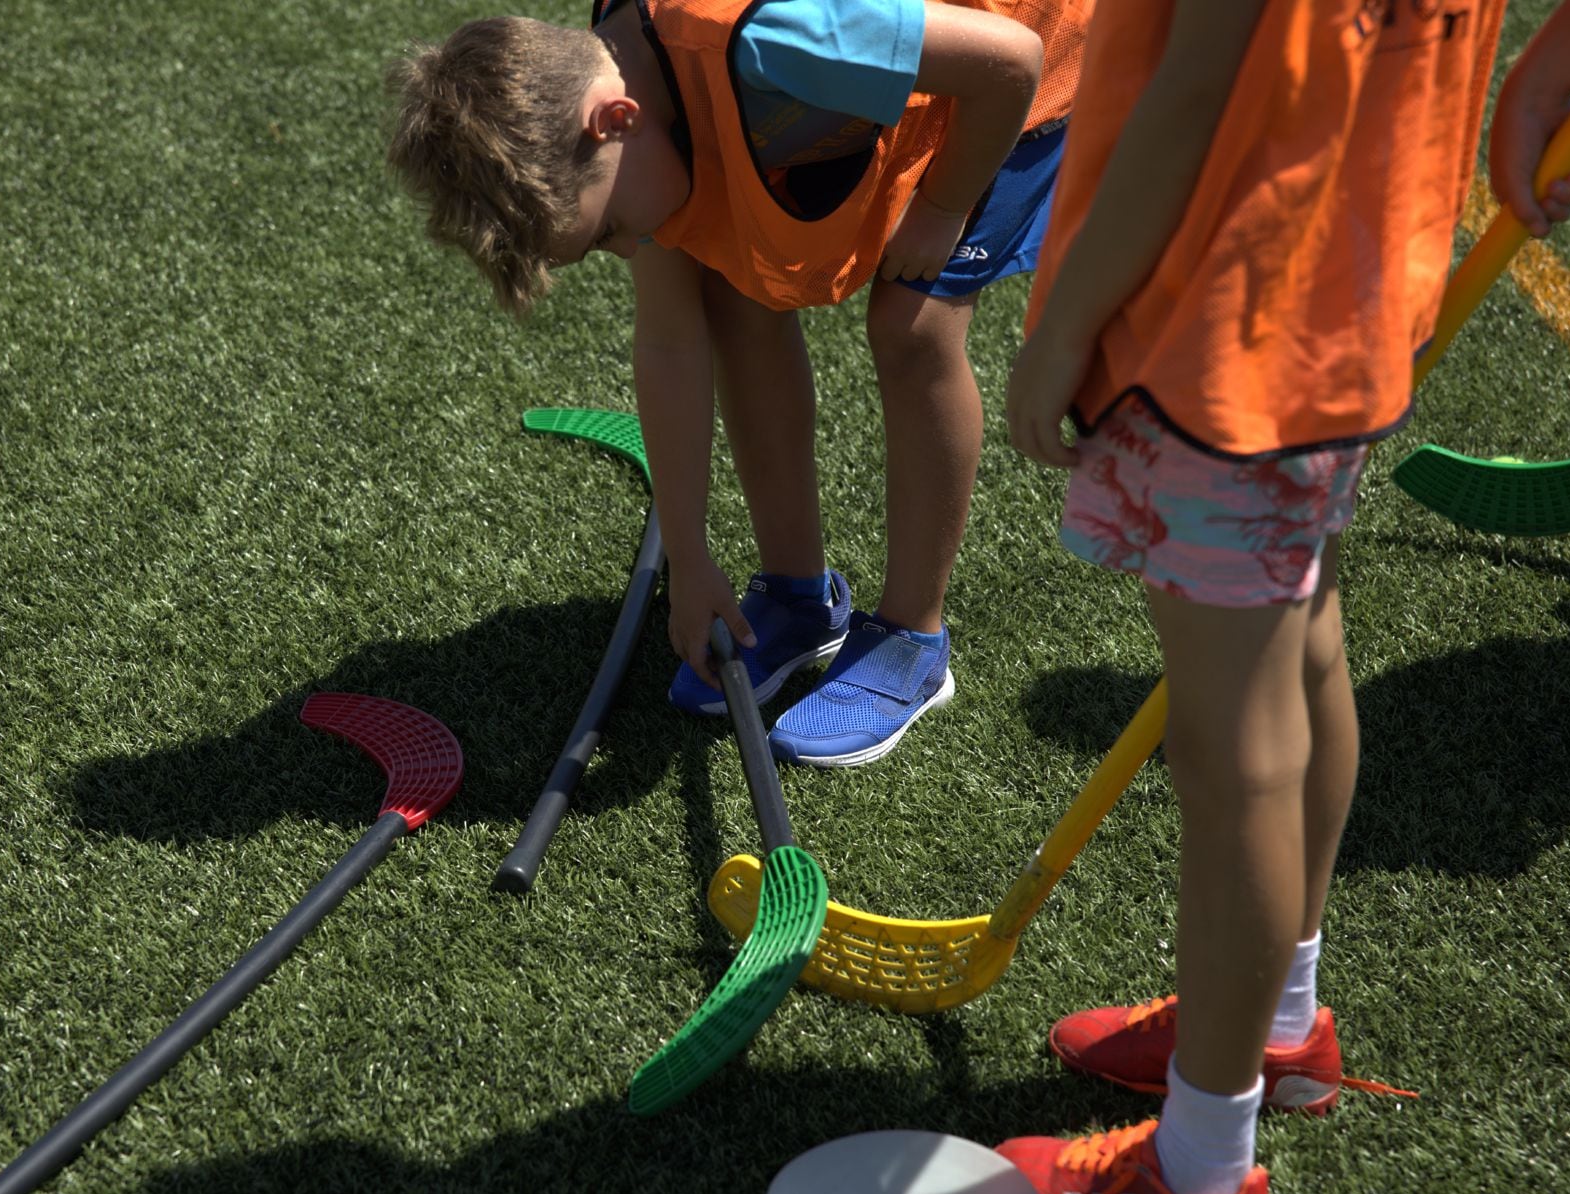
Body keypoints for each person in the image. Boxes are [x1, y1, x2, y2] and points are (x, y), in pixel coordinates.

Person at [996, 0, 1570, 1194]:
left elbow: (1194, 99)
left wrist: (1061, 325)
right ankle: (1274, 1027)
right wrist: (1539, 78)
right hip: (1346, 293)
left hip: (1225, 323)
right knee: (1302, 652)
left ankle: (1198, 1179)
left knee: (1239, 758)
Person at [388, 0, 1089, 765]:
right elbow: (669, 340)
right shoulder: (624, 102)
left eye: (610, 231)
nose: (628, 249)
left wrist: (944, 205)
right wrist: (689, 560)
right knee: (733, 296)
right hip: (880, 84)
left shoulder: (773, 39)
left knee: (912, 326)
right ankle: (798, 598)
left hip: (1021, 72)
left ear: (615, 120)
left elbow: (1011, 59)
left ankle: (911, 639)